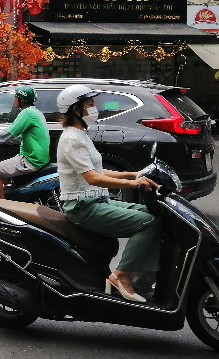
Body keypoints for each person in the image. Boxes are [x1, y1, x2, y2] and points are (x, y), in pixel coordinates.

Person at [55, 84, 160, 303]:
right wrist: (134, 185)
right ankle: (121, 275)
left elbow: (98, 171)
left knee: (159, 215)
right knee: (148, 223)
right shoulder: (72, 139)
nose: (95, 109)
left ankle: (143, 276)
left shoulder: (80, 135)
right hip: (83, 207)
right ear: (76, 110)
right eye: (90, 105)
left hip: (97, 201)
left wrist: (133, 174)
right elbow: (92, 178)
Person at [0, 86, 50, 199]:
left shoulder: (27, 113)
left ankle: (1, 206)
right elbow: (19, 137)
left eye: (16, 97)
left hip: (31, 159)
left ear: (22, 100)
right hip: (39, 157)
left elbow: (9, 133)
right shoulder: (36, 112)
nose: (14, 99)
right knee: (2, 173)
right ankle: (9, 196)